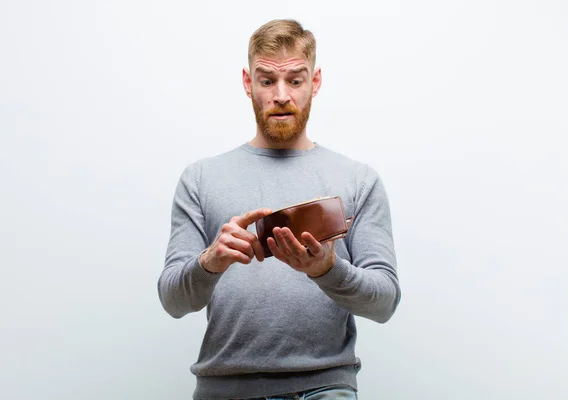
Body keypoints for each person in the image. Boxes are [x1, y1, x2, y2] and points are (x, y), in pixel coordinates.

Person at [158, 19, 401, 400]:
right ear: (247, 82)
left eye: (296, 80)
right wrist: (210, 262)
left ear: (315, 82)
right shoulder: (201, 179)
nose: (282, 95)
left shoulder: (358, 180)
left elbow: (385, 301)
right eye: (267, 80)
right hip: (226, 390)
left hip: (326, 388)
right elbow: (172, 301)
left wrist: (326, 269)